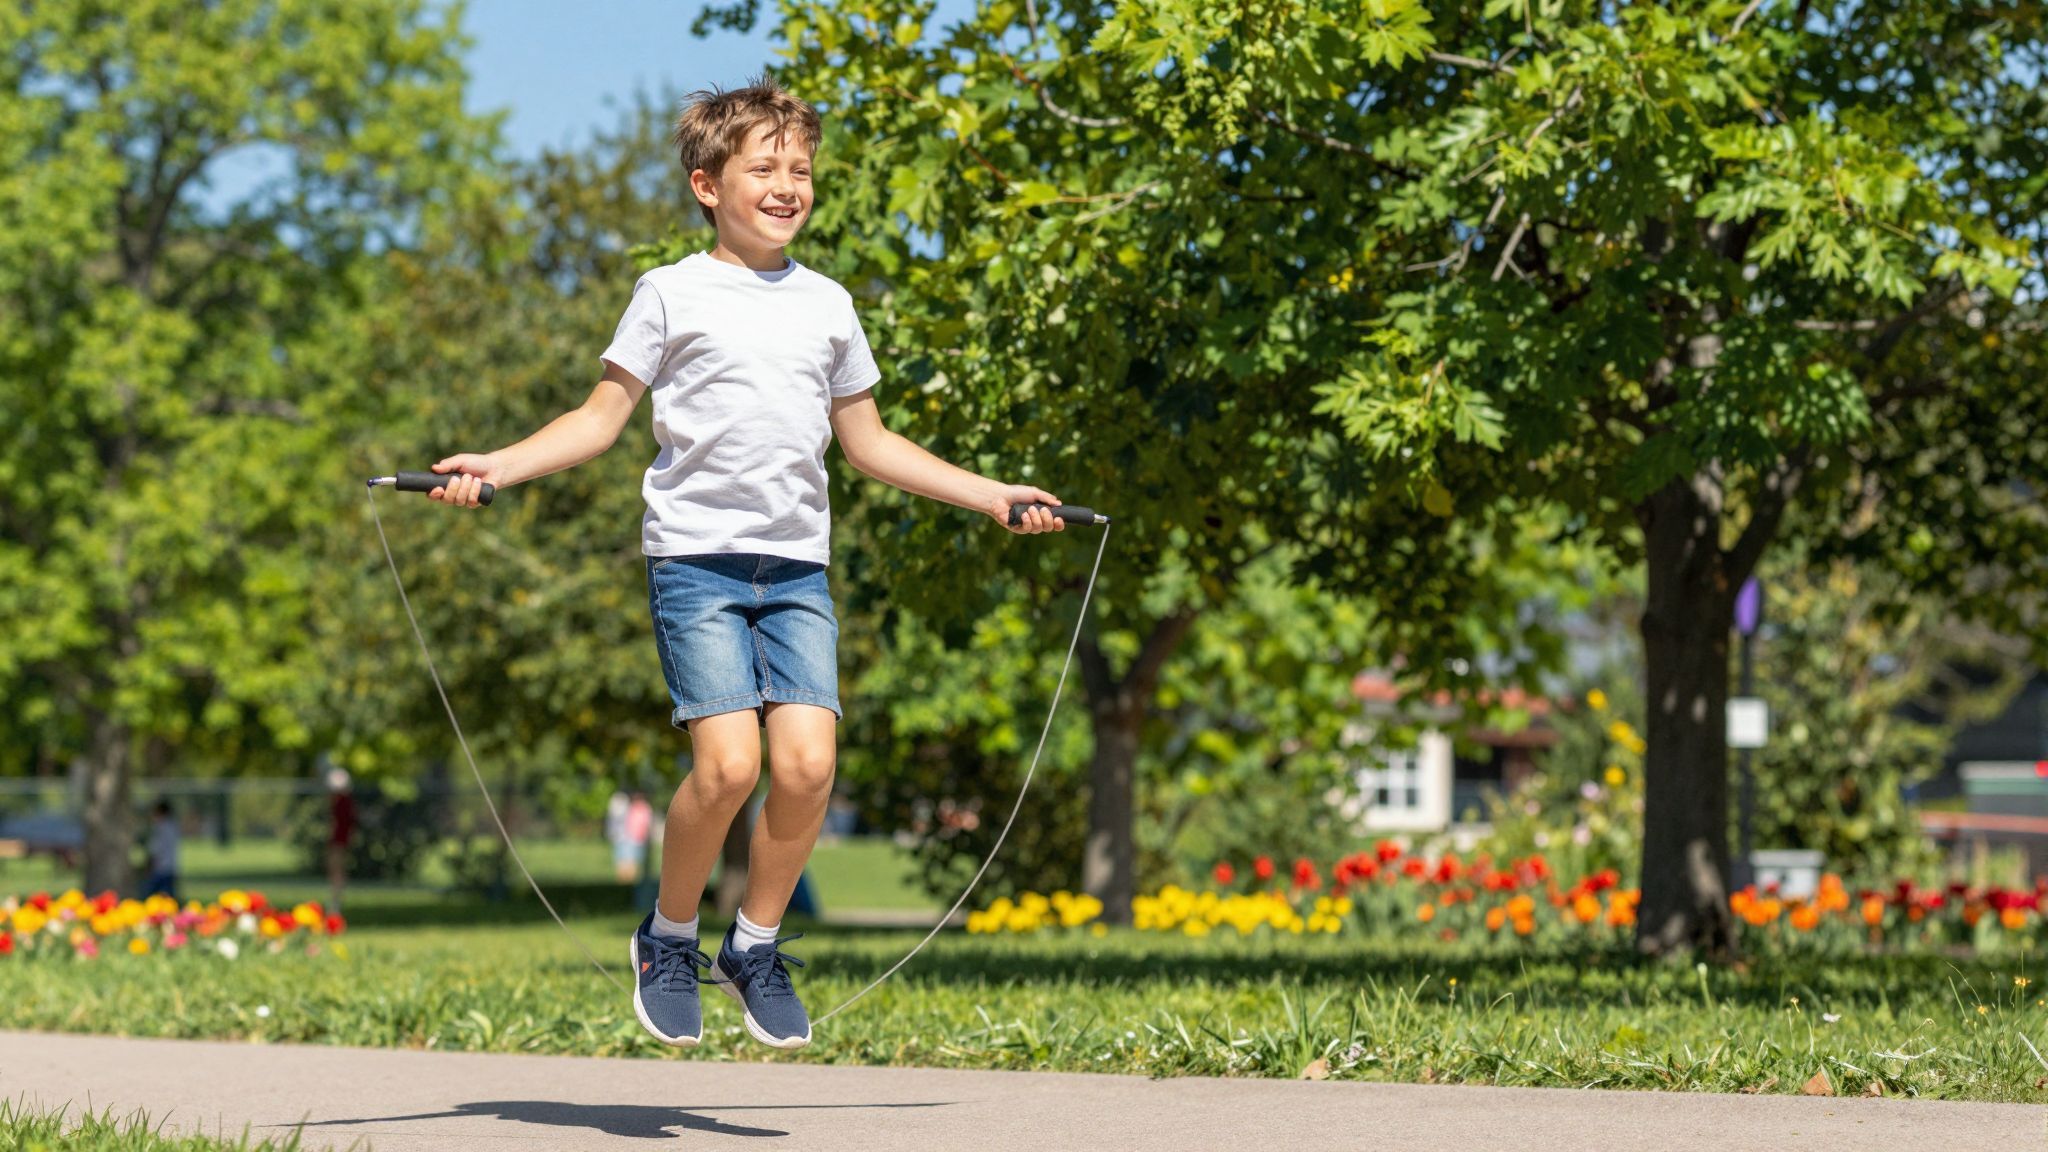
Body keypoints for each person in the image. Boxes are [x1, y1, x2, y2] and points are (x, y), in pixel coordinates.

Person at [424, 76, 1065, 1051]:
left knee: (807, 767)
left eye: (799, 169)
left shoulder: (829, 305)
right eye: (762, 167)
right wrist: (498, 466)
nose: (786, 184)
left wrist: (992, 495)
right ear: (705, 185)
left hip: (795, 572)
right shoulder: (669, 293)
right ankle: (668, 936)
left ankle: (753, 945)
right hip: (696, 564)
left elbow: (869, 443)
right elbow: (600, 421)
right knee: (727, 768)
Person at [326, 767, 355, 913]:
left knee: (337, 870)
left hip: (340, 839)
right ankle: (335, 900)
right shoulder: (339, 800)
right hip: (338, 838)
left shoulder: (343, 801)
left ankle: (336, 901)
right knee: (334, 870)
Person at [143, 799, 180, 901]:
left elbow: (155, 850)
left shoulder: (160, 828)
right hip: (170, 867)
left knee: (152, 898)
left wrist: (148, 865)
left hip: (159, 869)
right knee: (169, 899)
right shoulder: (173, 827)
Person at [623, 789, 654, 885]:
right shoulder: (631, 808)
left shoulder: (646, 809)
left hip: (642, 840)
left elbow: (648, 825)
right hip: (631, 839)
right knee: (629, 863)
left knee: (638, 864)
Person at [606, 788, 634, 883]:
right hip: (620, 837)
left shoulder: (623, 803)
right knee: (622, 863)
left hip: (627, 837)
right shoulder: (619, 802)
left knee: (628, 862)